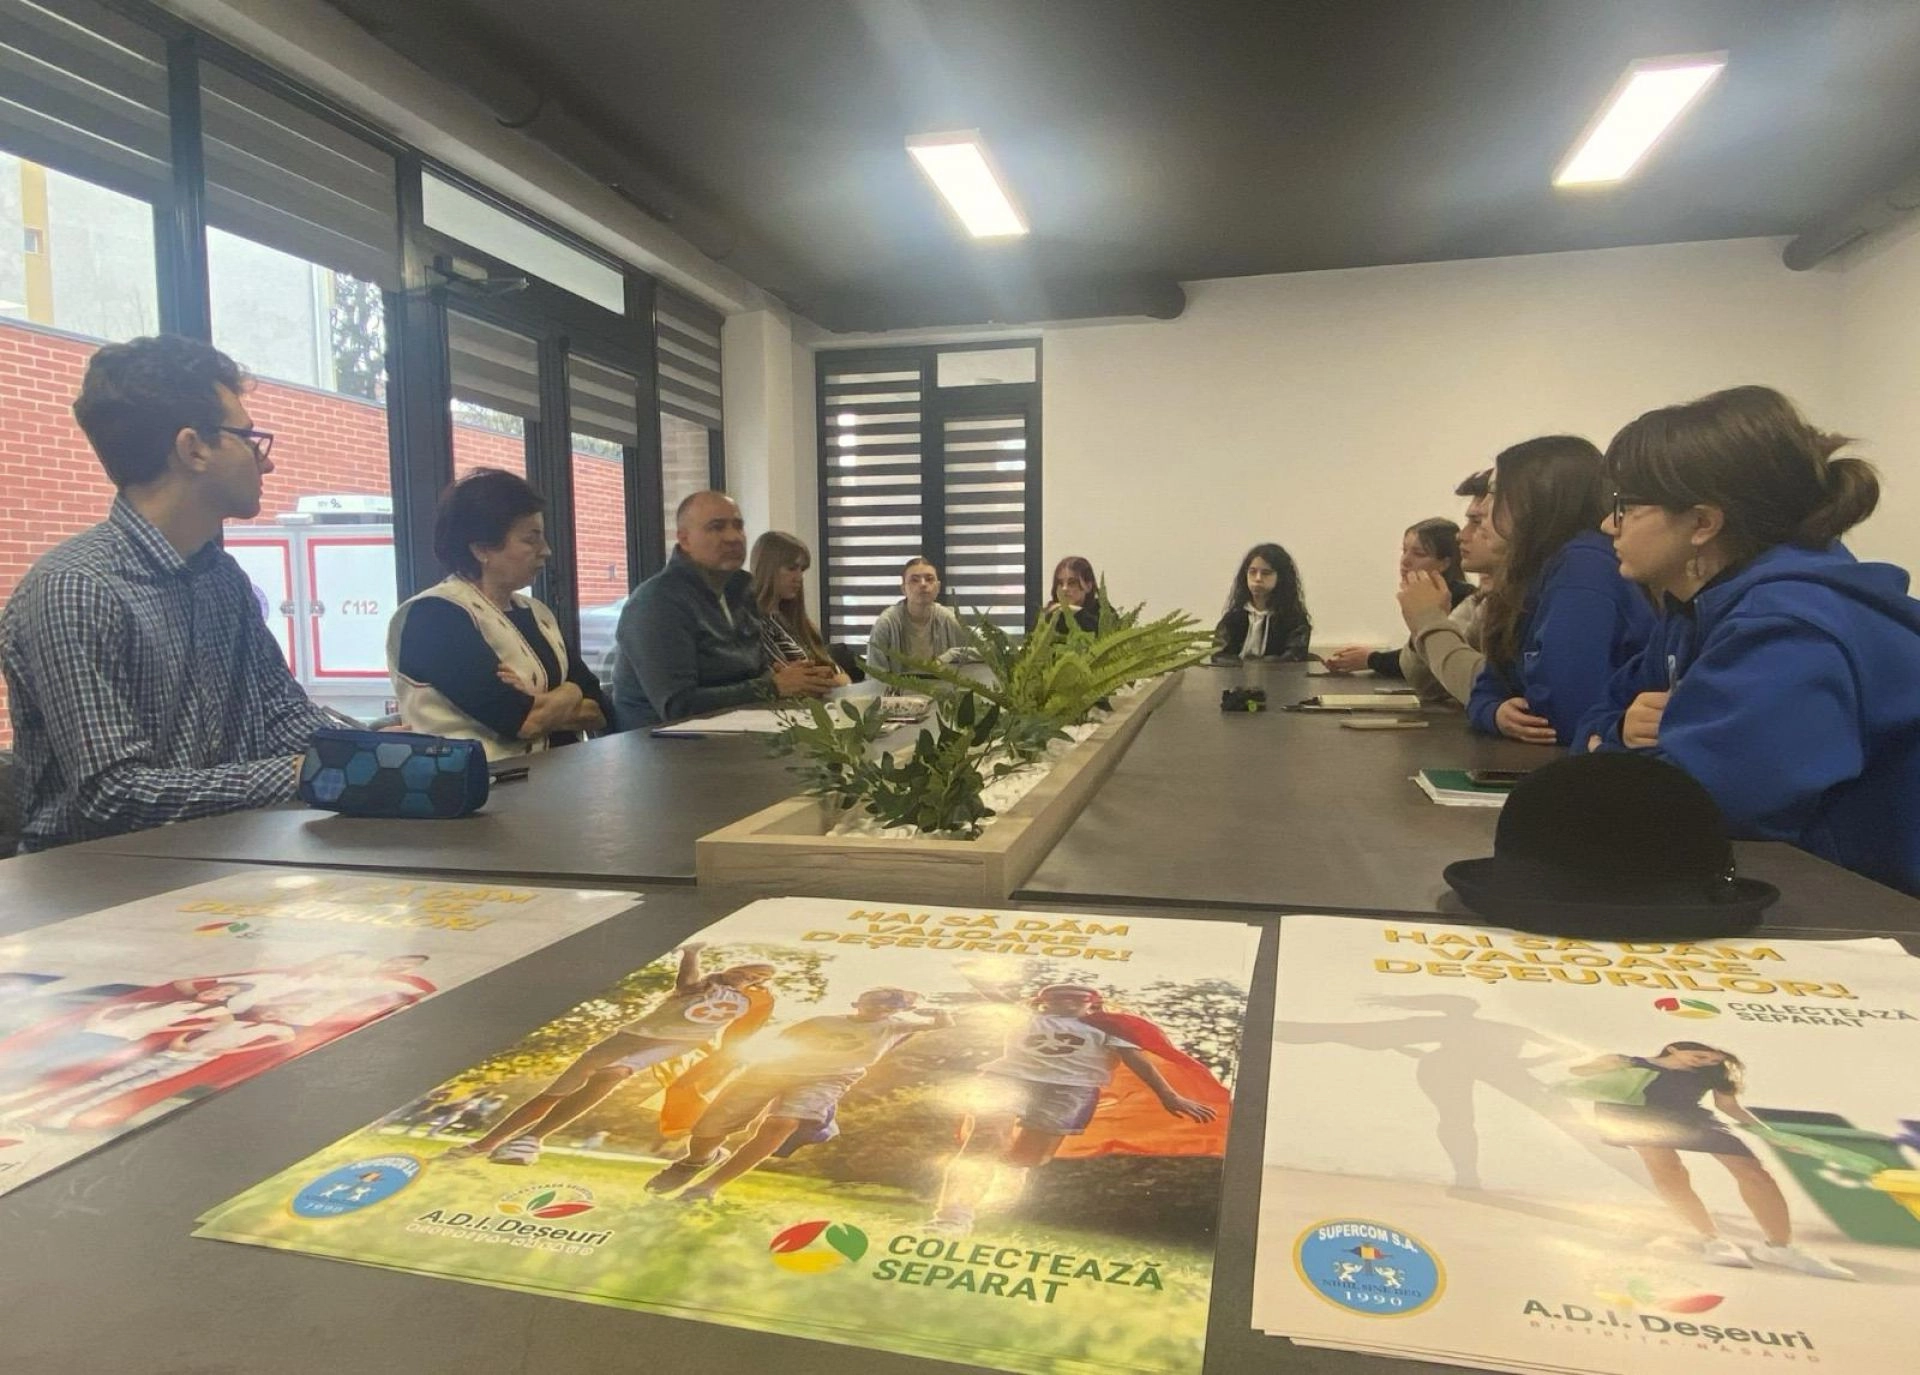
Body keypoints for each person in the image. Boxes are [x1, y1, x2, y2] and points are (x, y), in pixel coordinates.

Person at [1577, 385, 1920, 895]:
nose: (1608, 524)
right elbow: (1593, 716)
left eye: (1625, 505)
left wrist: (1607, 750)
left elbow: (1690, 812)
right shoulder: (1696, 611)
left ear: (1702, 523)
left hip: (1876, 915)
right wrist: (1620, 732)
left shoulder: (1790, 627)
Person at [0, 335, 336, 851]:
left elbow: (281, 715)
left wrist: (378, 753)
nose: (265, 462)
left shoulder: (221, 576)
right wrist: (301, 773)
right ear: (192, 448)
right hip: (98, 881)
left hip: (225, 860)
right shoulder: (76, 588)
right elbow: (114, 796)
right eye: (249, 438)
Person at [927, 982, 1217, 1238]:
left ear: (1092, 1003)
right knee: (984, 1143)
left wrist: (1169, 1096)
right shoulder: (1025, 1019)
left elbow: (1138, 1061)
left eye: (1076, 998)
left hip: (1070, 1090)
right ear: (1044, 1002)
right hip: (1008, 1079)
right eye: (1058, 998)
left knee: (1029, 1156)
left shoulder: (1108, 1029)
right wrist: (972, 972)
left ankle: (1012, 1170)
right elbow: (995, 996)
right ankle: (952, 1220)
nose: (1067, 1002)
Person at [446, 944, 775, 1167]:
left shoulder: (751, 1000)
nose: (751, 978)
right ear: (733, 969)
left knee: (614, 1074)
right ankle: (485, 1144)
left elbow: (743, 1031)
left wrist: (730, 1057)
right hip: (632, 1036)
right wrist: (691, 953)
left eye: (757, 978)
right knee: (555, 1093)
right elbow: (686, 982)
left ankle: (532, 1139)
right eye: (747, 972)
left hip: (678, 1044)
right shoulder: (701, 986)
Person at [1567, 1043, 1852, 1278]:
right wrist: (1605, 1064)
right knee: (1668, 1170)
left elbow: (1729, 1106)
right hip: (1635, 1115)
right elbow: (1578, 1073)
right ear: (1674, 1049)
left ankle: (1780, 1248)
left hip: (1691, 1118)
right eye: (1701, 1056)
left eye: (1712, 1060)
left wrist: (1770, 1134)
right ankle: (1711, 1240)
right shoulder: (1631, 1062)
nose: (1705, 1062)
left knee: (1753, 1171)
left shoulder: (1712, 1073)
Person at [644, 987, 952, 1203]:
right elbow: (780, 1044)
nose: (879, 1010)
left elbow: (941, 1025)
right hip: (774, 1070)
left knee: (782, 1123)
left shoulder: (896, 1027)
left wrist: (938, 1014)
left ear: (897, 1010)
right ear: (857, 1003)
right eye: (873, 1003)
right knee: (708, 1130)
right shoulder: (821, 1022)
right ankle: (698, 1161)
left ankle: (706, 1189)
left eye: (889, 1006)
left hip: (829, 1078)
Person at [387, 469, 609, 759]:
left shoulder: (537, 614)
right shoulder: (433, 618)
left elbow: (599, 710)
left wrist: (545, 700)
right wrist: (571, 692)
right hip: (479, 782)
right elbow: (525, 722)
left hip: (560, 776)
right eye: (530, 540)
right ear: (482, 549)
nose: (546, 551)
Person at [1466, 435, 1653, 745]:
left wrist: (1511, 707)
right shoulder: (1530, 573)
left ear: (1540, 498)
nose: (1483, 508)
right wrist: (1494, 713)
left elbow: (1567, 714)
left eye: (1495, 492)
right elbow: (1487, 687)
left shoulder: (1584, 565)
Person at [609, 491, 837, 728]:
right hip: (662, 743)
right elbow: (679, 706)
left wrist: (795, 678)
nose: (733, 537)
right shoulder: (657, 602)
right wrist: (774, 686)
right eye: (716, 527)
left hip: (743, 731)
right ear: (684, 540)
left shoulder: (743, 588)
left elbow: (754, 674)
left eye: (738, 526)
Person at [1396, 471, 1505, 706]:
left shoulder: (1540, 599)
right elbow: (1429, 684)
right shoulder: (1482, 601)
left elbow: (1494, 689)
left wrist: (1429, 620)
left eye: (1477, 522)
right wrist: (1420, 627)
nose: (1461, 535)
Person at [1323, 520, 1471, 675]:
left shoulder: (1465, 601)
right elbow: (1418, 655)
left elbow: (1434, 660)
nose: (1405, 561)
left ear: (1444, 563)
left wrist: (1371, 659)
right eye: (1404, 550)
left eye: (1419, 554)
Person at [748, 531, 848, 685]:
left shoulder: (796, 623)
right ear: (768, 568)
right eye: (791, 568)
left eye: (802, 570)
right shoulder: (756, 624)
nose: (799, 578)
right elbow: (795, 682)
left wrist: (833, 678)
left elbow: (840, 675)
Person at [865, 557, 971, 672]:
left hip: (941, 684)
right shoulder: (887, 623)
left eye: (929, 579)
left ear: (938, 587)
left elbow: (980, 652)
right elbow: (874, 675)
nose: (923, 584)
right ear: (903, 589)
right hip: (896, 684)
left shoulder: (946, 618)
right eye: (915, 580)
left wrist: (951, 655)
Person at [1211, 543, 1312, 661]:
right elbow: (1218, 654)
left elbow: (1292, 658)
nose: (1258, 578)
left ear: (1281, 577)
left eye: (1266, 573)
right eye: (1252, 572)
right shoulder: (1233, 618)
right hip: (1238, 673)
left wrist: (1263, 665)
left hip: (1277, 673)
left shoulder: (1294, 621)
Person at [1038, 555, 1103, 634]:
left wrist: (1077, 612)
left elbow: (1100, 633)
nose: (1064, 588)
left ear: (1088, 586)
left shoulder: (1103, 612)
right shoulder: (1051, 614)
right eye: (1060, 583)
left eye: (1072, 583)